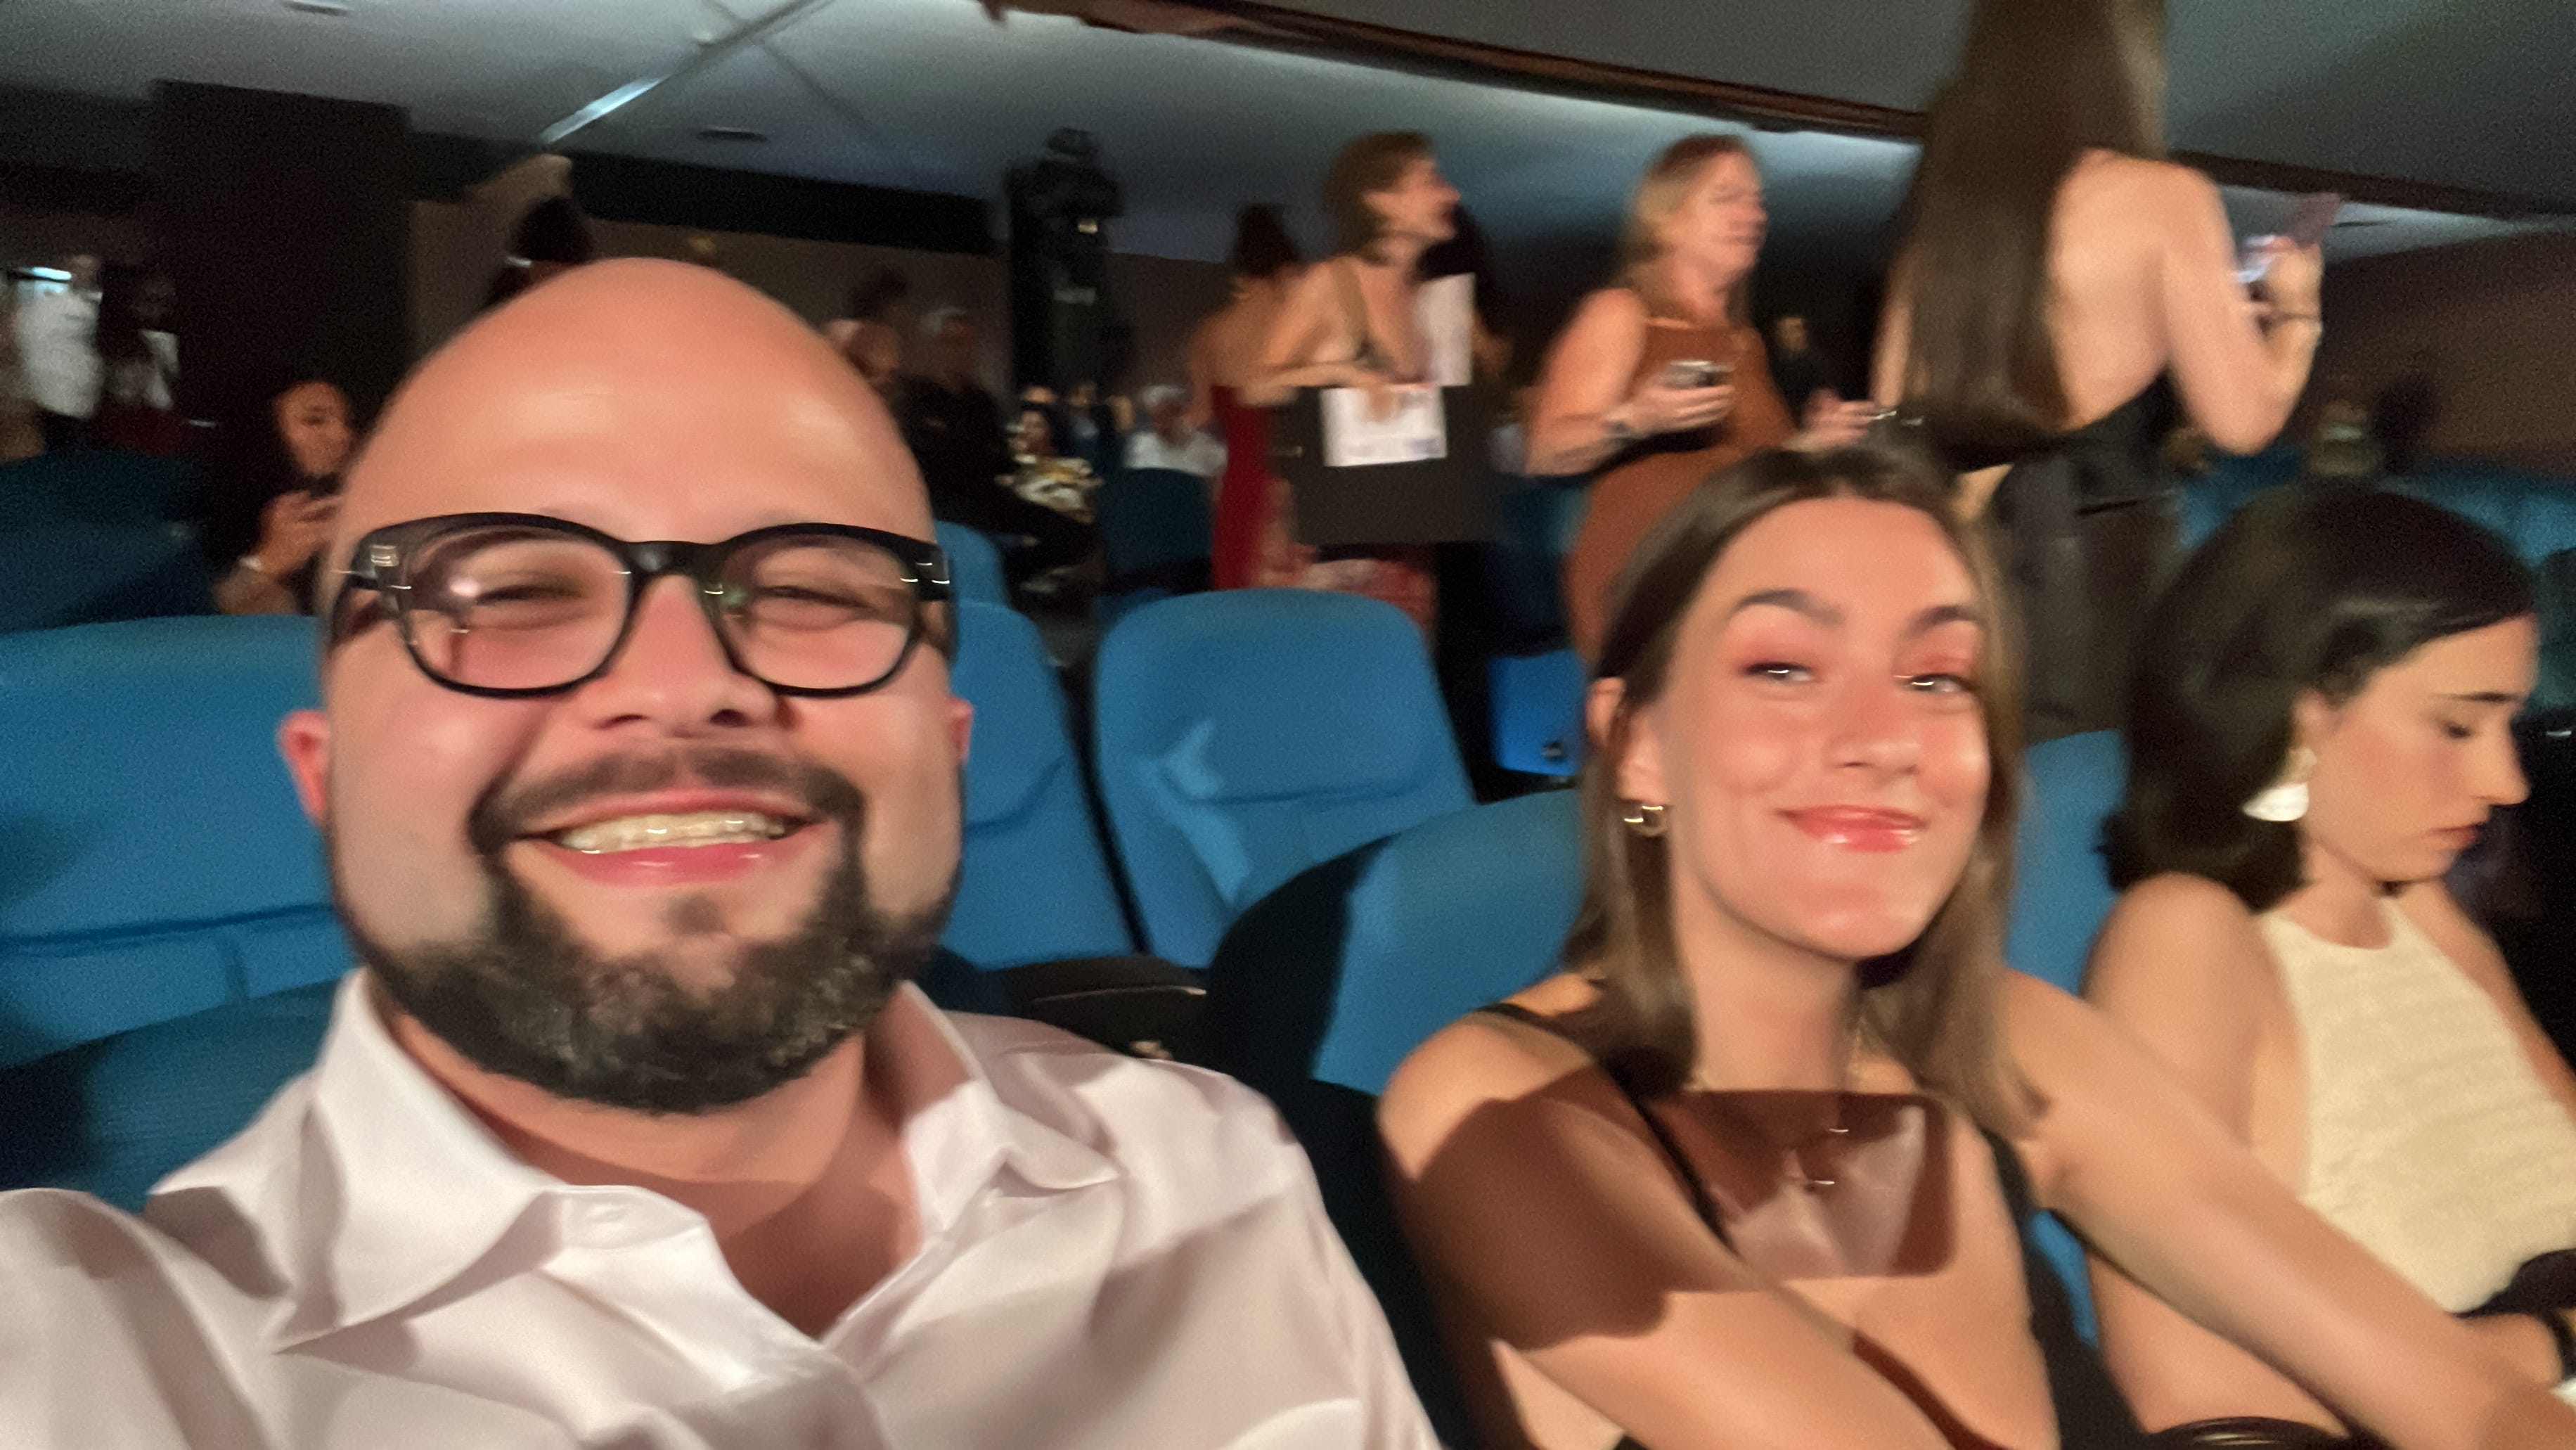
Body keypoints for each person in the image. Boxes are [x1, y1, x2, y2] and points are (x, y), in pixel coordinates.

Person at [0, 259, 1438, 1447]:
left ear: (946, 751)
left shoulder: (1213, 1173)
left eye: (811, 584)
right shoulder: (87, 1356)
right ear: (325, 778)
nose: (684, 680)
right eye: (509, 586)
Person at [1377, 442, 2576, 1450]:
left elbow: (2464, 1400)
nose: (1881, 735)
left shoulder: (2011, 1041)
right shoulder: (1495, 1105)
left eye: (1936, 677)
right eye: (1783, 667)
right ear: (1638, 742)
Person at [2086, 487, 2576, 1444]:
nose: (2506, 781)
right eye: (2456, 725)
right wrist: (2548, 1340)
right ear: (2299, 713)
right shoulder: (2186, 937)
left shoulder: (2423, 911)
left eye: (2507, 725)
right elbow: (2194, 1396)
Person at [1872, 0, 2324, 742]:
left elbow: (1893, 416)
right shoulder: (2162, 196)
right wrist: (2297, 315)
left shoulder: (1943, 222)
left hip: (1944, 567)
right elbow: (2245, 423)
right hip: (2094, 579)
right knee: (2084, 789)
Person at [1538, 137, 1876, 658]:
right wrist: (1639, 418)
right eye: (1727, 197)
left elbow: (1749, 470)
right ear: (1665, 221)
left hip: (1738, 577)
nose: (1754, 215)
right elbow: (1546, 450)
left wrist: (1814, 444)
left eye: (1757, 200)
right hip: (1651, 586)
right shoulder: (1622, 313)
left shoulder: (1744, 341)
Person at [1239, 131, 1462, 634]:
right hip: (1326, 541)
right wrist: (1340, 373)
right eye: (1431, 180)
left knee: (1395, 665)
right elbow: (1256, 387)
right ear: (1381, 201)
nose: (1452, 193)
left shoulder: (1424, 296)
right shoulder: (1331, 282)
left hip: (1401, 531)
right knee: (1319, 668)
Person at [889, 307, 1091, 591]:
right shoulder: (914, 398)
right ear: (934, 346)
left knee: (1075, 534)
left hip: (985, 500)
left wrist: (970, 453)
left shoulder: (980, 401)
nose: (963, 351)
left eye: (969, 343)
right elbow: (926, 457)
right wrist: (970, 454)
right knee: (927, 551)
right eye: (953, 342)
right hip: (937, 505)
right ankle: (942, 599)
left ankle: (1001, 581)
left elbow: (1000, 458)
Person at [1192, 204, 1303, 589]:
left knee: (1240, 596)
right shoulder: (1302, 328)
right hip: (1297, 479)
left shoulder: (1211, 332)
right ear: (1286, 268)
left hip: (1240, 480)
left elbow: (1201, 417)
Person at [193, 372, 356, 615]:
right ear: (264, 432)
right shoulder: (202, 514)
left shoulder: (361, 505)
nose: (343, 436)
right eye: (315, 420)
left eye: (348, 422)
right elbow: (187, 620)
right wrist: (268, 561)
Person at [14, 252, 102, 451]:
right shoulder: (48, 306)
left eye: (90, 269)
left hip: (86, 402)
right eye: (79, 268)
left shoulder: (98, 307)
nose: (84, 274)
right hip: (54, 400)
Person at [825, 266, 908, 391]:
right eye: (896, 304)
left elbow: (888, 377)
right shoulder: (842, 330)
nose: (900, 311)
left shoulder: (890, 338)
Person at [1123, 383, 1225, 480]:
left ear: (1179, 414)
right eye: (1156, 419)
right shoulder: (1140, 447)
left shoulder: (1205, 446)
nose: (1161, 425)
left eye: (1166, 417)